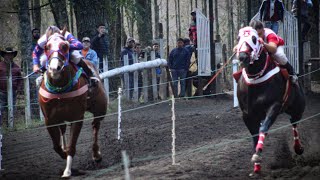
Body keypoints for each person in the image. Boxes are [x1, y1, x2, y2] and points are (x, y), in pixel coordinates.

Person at [32, 26, 98, 87]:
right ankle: (43, 75)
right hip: (52, 54)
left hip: (67, 51)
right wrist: (35, 65)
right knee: (43, 60)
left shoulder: (66, 34)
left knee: (76, 57)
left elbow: (79, 45)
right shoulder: (43, 39)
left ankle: (90, 75)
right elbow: (35, 52)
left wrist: (69, 45)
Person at [0, 47, 23, 126]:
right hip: (1, 92)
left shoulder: (16, 68)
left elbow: (20, 79)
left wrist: (19, 89)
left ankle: (10, 125)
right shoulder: (0, 66)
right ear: (4, 55)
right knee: (1, 108)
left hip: (13, 92)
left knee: (11, 108)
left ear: (13, 56)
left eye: (11, 55)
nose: (9, 56)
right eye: (7, 54)